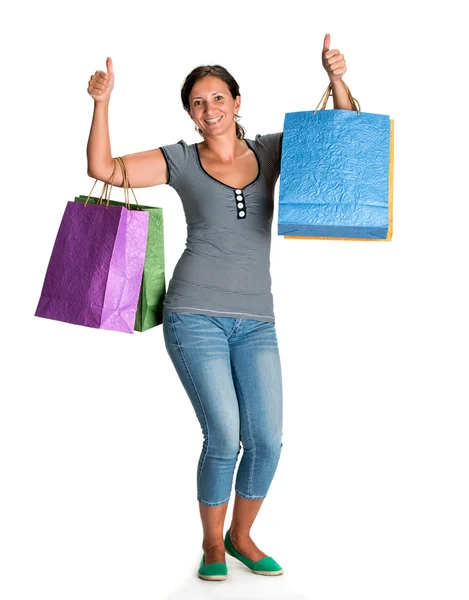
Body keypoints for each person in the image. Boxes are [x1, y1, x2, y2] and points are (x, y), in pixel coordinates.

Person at [86, 32, 355, 581]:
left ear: (237, 102)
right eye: (197, 102)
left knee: (266, 440)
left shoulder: (271, 151)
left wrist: (336, 80)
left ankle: (242, 536)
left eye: (217, 98)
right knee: (224, 436)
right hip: (194, 316)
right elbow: (104, 169)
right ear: (191, 113)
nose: (209, 109)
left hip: (258, 320)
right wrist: (101, 103)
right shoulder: (180, 161)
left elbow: (343, 142)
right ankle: (212, 543)